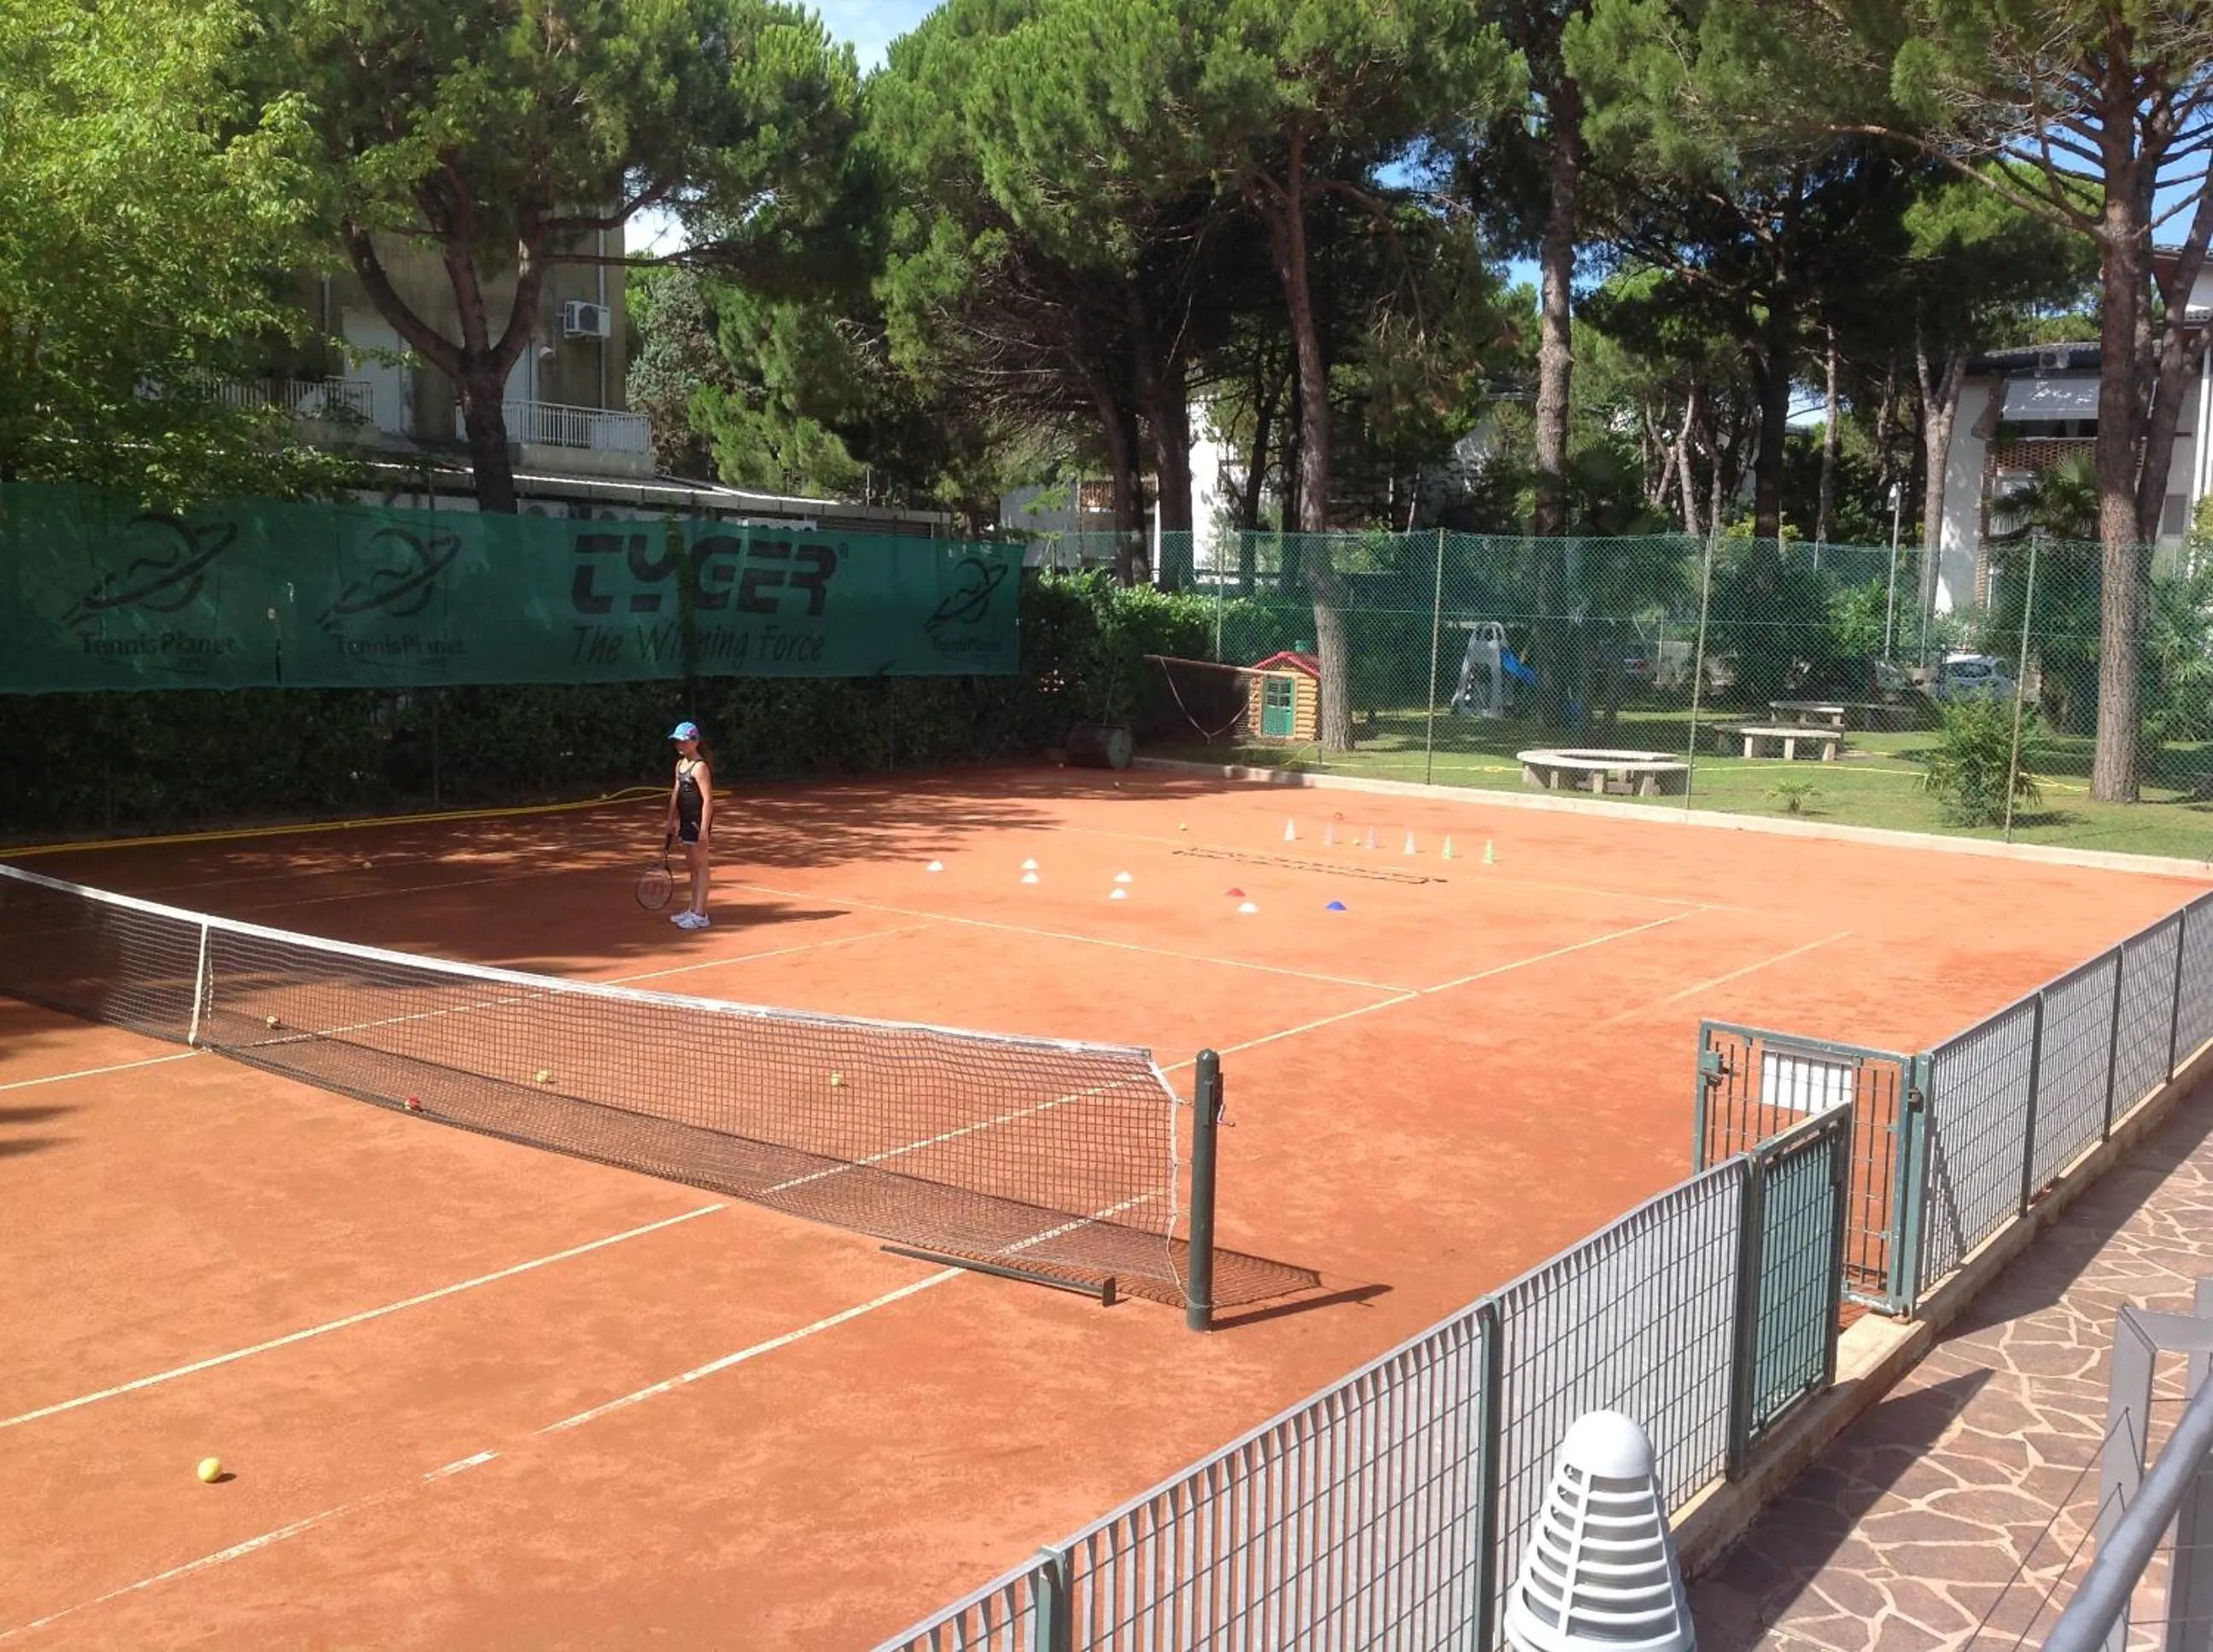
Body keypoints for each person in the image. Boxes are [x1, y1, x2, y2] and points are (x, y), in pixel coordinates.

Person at [663, 721, 715, 930]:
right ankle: (692, 909)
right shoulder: (680, 764)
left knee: (700, 866)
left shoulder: (700, 767)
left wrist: (703, 830)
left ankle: (701, 914)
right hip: (684, 821)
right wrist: (670, 820)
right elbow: (676, 794)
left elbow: (708, 800)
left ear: (695, 742)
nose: (679, 745)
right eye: (677, 742)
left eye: (683, 741)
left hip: (697, 822)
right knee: (692, 865)